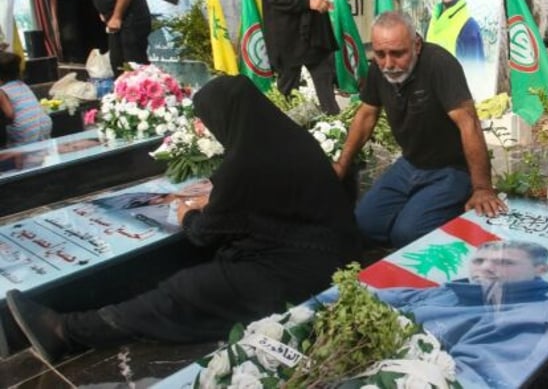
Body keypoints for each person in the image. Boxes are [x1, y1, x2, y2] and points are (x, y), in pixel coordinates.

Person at [6, 74, 361, 363]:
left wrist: (188, 212)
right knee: (191, 276)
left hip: (301, 272)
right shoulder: (286, 139)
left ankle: (65, 332)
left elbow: (204, 233)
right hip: (323, 252)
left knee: (184, 292)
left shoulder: (247, 164)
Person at [334, 12, 505, 248]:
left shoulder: (439, 64)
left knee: (407, 235)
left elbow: (469, 123)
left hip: (451, 169)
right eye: (380, 54)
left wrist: (482, 187)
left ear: (416, 44)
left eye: (397, 53)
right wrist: (342, 165)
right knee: (364, 225)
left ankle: (455, 207)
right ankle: (422, 211)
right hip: (409, 164)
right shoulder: (379, 69)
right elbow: (366, 116)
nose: (388, 64)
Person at [373, 241, 548, 388]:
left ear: (541, 269)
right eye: (479, 261)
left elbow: (468, 380)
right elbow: (371, 297)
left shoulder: (534, 315)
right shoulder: (454, 291)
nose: (485, 268)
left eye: (505, 262)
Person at [0, 51, 52, 146]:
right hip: (44, 123)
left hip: (25, 130)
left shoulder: (2, 91)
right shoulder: (23, 85)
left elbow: (10, 114)